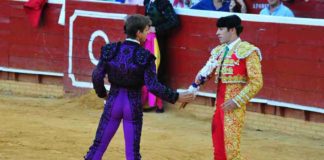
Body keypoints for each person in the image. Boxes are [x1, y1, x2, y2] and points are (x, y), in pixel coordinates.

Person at [84, 14, 193, 160]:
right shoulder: (146, 56)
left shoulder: (110, 50)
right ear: (138, 33)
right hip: (133, 105)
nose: (148, 34)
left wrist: (103, 94)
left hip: (113, 101)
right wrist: (176, 96)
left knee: (98, 146)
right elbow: (152, 85)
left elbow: (97, 76)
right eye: (146, 31)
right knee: (132, 152)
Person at [184, 15, 263, 159]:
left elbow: (256, 82)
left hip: (233, 106)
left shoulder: (248, 51)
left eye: (221, 29)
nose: (217, 33)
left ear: (232, 30)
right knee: (218, 144)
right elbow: (205, 73)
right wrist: (192, 90)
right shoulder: (218, 51)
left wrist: (237, 100)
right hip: (219, 105)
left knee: (231, 148)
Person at [143, 0, 180, 113]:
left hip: (159, 41)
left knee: (158, 70)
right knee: (147, 69)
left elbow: (174, 21)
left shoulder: (163, 3)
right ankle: (147, 102)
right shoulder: (147, 1)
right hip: (148, 39)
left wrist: (157, 29)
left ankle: (159, 104)